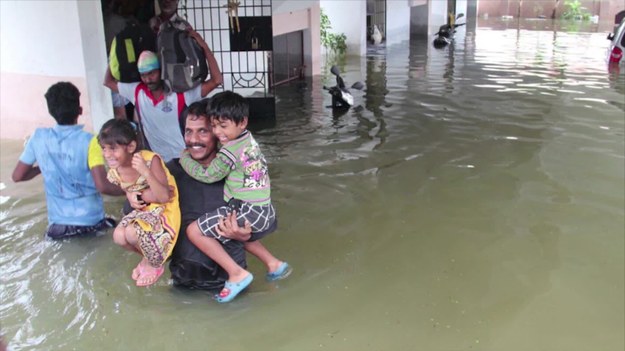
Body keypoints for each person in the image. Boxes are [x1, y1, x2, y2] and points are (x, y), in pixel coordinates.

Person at [180, 92, 291, 303]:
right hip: (263, 210)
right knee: (231, 229)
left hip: (248, 210)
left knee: (194, 231)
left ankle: (236, 273)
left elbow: (208, 174)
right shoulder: (247, 139)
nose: (218, 132)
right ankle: (274, 263)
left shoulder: (229, 152)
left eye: (218, 127)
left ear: (242, 122)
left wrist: (185, 157)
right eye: (214, 126)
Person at [11, 82, 123, 239]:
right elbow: (103, 186)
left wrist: (42, 167)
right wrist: (131, 190)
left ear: (51, 111)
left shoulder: (38, 137)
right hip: (91, 223)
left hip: (56, 228)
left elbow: (18, 176)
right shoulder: (90, 141)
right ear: (80, 110)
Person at [103, 28, 222, 162]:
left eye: (152, 73)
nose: (148, 79)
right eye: (143, 75)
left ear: (162, 71)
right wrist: (115, 53)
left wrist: (203, 45)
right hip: (157, 161)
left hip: (185, 159)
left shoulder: (180, 94)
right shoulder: (136, 91)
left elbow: (216, 80)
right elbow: (107, 82)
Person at [98, 119, 180, 287]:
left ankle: (155, 263)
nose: (107, 154)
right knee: (119, 236)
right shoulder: (115, 171)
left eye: (113, 148)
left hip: (165, 208)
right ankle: (148, 257)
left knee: (132, 233)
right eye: (104, 148)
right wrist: (130, 195)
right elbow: (128, 189)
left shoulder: (150, 160)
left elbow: (164, 196)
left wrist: (145, 172)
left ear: (130, 147)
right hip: (145, 209)